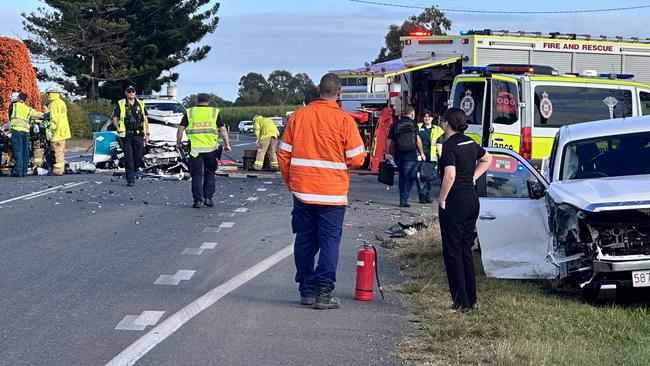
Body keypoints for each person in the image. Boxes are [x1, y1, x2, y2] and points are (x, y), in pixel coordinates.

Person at [277, 73, 366, 310]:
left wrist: (291, 182)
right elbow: (357, 158)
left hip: (303, 191)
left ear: (318, 89)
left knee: (305, 240)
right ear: (339, 93)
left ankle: (306, 290)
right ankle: (324, 292)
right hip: (332, 193)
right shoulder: (345, 121)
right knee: (329, 242)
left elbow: (283, 153)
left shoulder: (298, 117)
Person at [437, 107, 492, 313]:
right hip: (472, 199)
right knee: (465, 250)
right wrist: (473, 177)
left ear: (448, 124)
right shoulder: (470, 142)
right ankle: (472, 299)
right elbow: (488, 159)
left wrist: (442, 199)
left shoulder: (449, 146)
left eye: (443, 121)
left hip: (455, 201)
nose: (442, 124)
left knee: (452, 252)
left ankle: (460, 302)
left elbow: (449, 175)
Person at [176, 93, 231, 208]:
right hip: (211, 149)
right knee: (210, 173)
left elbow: (180, 129)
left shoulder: (190, 112)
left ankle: (197, 201)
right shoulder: (214, 112)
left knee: (196, 174)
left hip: (194, 150)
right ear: (208, 101)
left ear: (197, 100)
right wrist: (227, 145)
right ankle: (208, 198)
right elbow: (223, 130)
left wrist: (179, 143)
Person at [386, 106, 426, 207]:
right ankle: (404, 199)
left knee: (402, 176)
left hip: (398, 155)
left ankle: (402, 198)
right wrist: (421, 152)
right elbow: (417, 139)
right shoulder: (413, 124)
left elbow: (389, 140)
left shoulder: (396, 124)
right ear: (412, 114)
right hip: (411, 156)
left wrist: (387, 153)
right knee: (409, 177)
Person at [113, 85, 149, 186]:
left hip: (139, 134)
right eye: (129, 91)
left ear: (135, 92)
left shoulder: (141, 104)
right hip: (127, 135)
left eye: (132, 91)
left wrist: (147, 134)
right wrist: (118, 128)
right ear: (126, 93)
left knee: (138, 156)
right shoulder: (121, 104)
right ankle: (130, 180)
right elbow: (115, 118)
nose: (131, 93)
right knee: (129, 157)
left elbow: (145, 119)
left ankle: (134, 169)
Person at [8, 92, 42, 177]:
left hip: (16, 131)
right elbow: (38, 114)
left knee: (17, 151)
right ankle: (24, 171)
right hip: (26, 132)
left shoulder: (13, 106)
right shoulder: (28, 109)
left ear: (18, 98)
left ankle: (18, 171)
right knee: (25, 152)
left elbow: (10, 117)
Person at [416, 109, 445, 203]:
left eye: (429, 116)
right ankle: (422, 196)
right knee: (421, 176)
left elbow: (440, 143)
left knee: (429, 177)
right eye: (425, 116)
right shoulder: (418, 127)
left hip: (432, 156)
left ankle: (427, 195)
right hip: (420, 155)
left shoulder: (438, 129)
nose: (427, 118)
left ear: (432, 118)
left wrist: (440, 156)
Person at [45, 88, 71, 175]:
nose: (48, 95)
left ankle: (58, 170)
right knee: (60, 150)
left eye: (48, 93)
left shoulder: (53, 104)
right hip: (63, 130)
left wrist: (50, 130)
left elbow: (54, 119)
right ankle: (60, 168)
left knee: (57, 151)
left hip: (57, 131)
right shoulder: (61, 102)